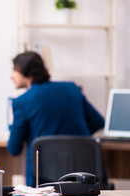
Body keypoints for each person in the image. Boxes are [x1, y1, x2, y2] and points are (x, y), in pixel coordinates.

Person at [7, 51, 105, 187]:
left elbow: (14, 148)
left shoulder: (22, 102)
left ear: (27, 73)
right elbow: (98, 122)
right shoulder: (71, 88)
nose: (11, 76)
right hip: (83, 179)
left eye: (14, 70)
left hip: (42, 187)